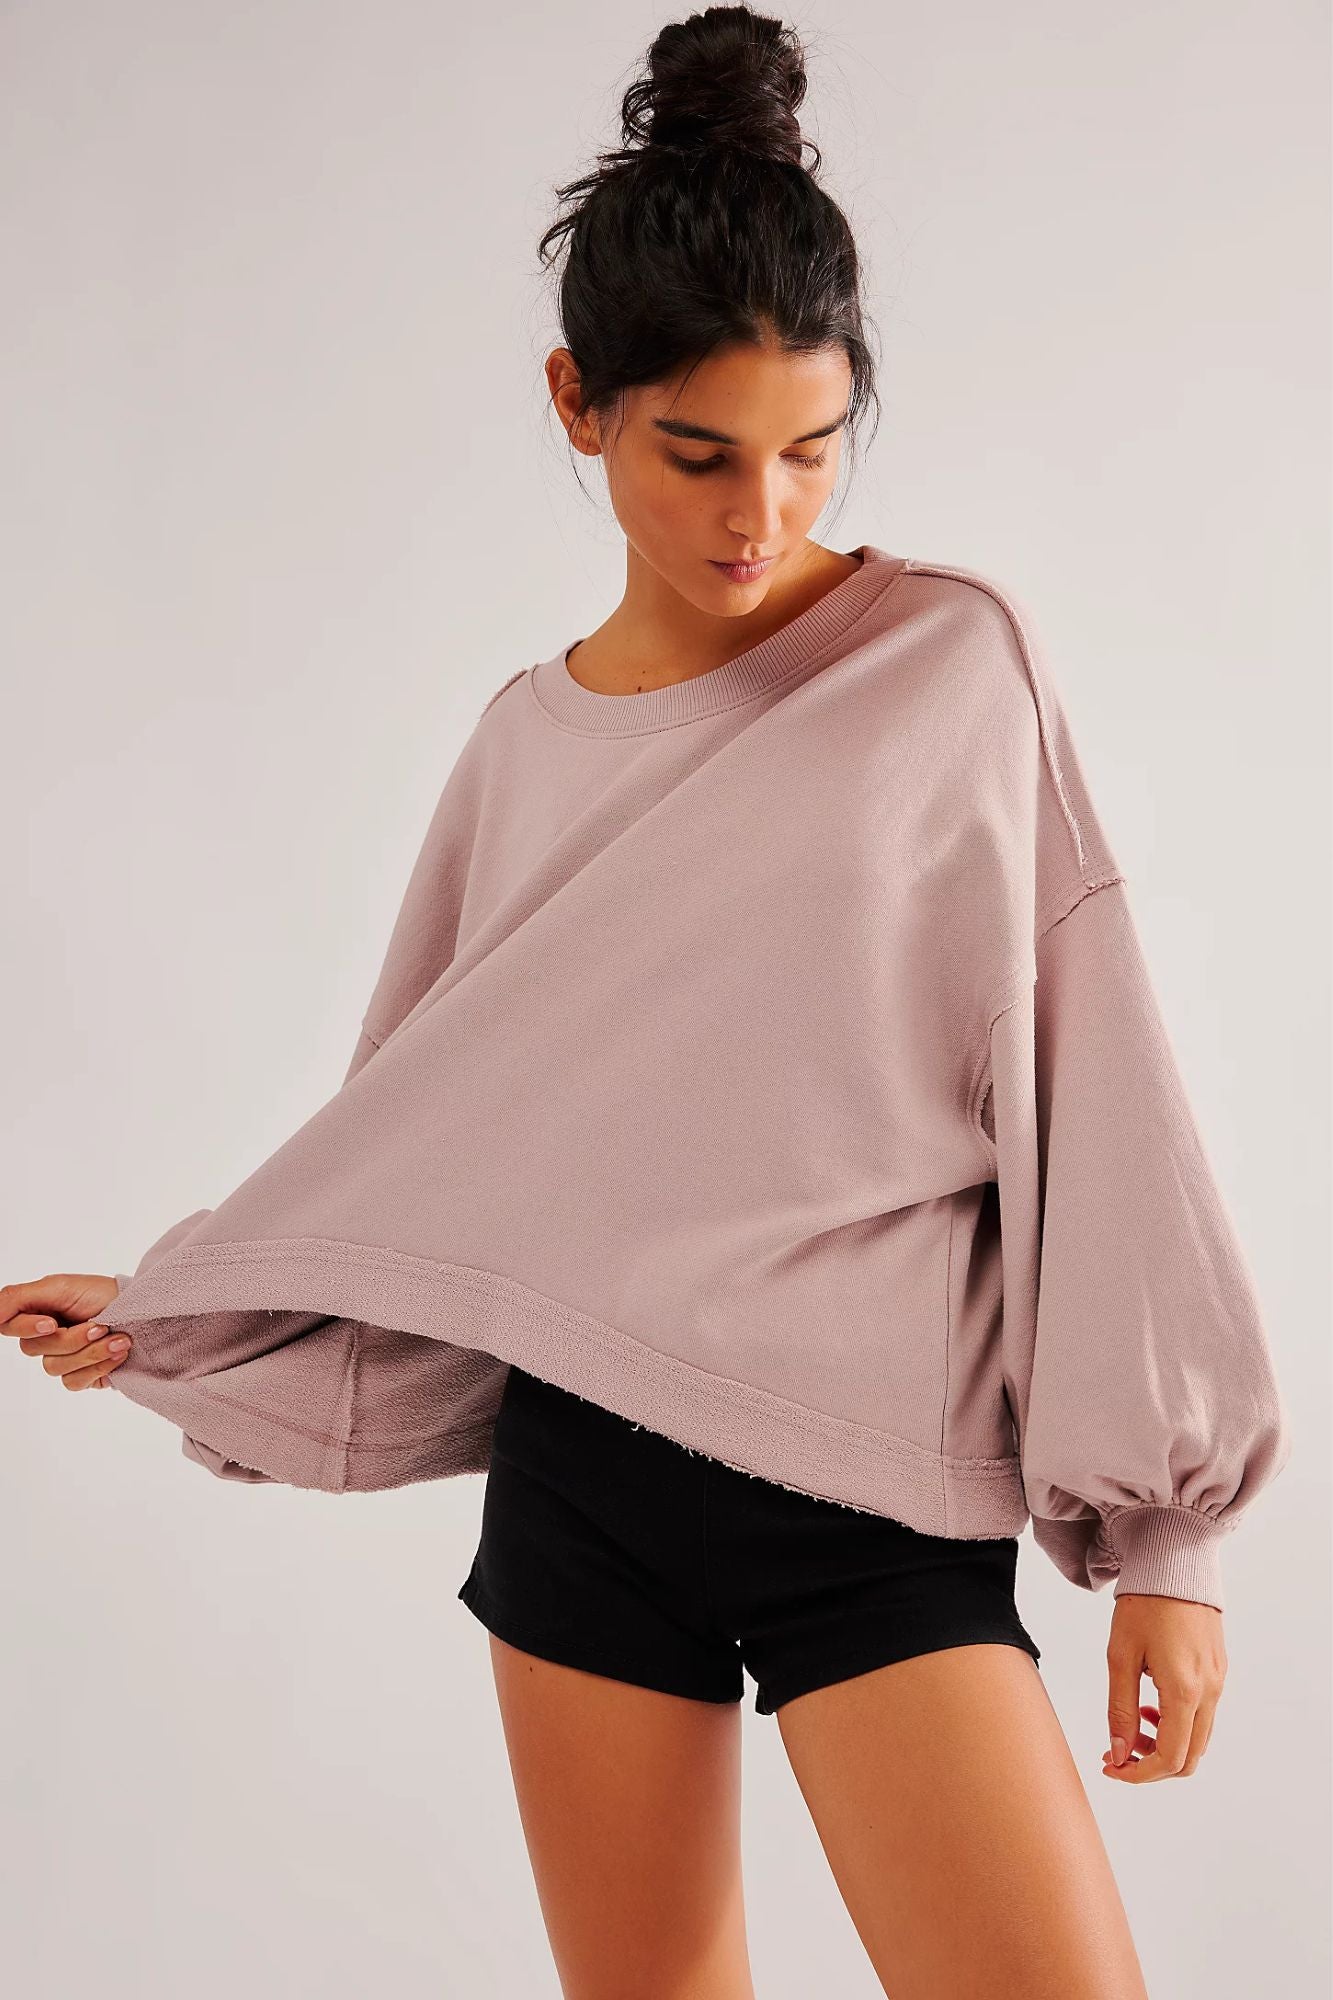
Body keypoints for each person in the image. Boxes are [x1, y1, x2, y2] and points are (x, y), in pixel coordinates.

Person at [1, 9, 1291, 1997]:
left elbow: (1095, 1086)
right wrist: (195, 1304)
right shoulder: (520, 747)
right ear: (575, 404)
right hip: (584, 1492)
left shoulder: (950, 665)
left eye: (808, 451)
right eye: (697, 454)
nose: (755, 514)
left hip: (872, 1496)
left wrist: (1167, 1549)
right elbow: (436, 1141)